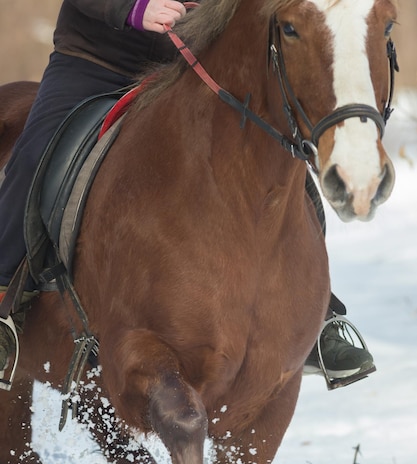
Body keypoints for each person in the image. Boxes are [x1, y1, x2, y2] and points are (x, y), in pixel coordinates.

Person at [0, 0, 374, 387]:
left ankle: (320, 316)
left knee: (278, 151)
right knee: (33, 155)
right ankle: (4, 305)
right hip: (96, 63)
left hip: (189, 62)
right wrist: (134, 9)